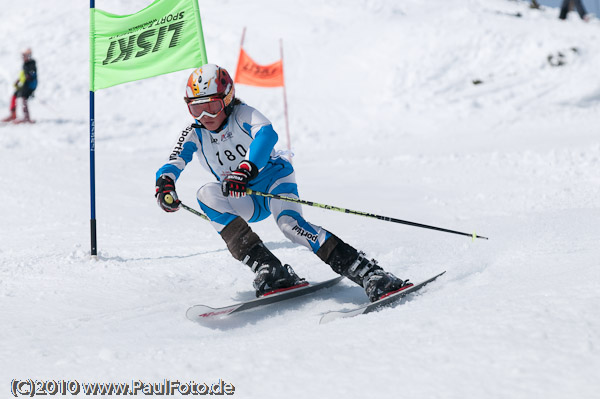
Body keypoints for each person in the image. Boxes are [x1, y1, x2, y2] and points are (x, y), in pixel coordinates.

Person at [154, 64, 412, 301]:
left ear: (228, 99)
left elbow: (266, 134)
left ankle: (370, 273)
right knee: (206, 194)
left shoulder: (243, 114)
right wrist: (165, 183)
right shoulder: (195, 134)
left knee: (290, 226)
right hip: (244, 197)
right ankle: (269, 268)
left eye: (212, 107)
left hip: (274, 180)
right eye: (196, 108)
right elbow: (173, 162)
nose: (205, 116)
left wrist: (246, 168)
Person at [2, 48, 38, 123]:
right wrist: (18, 80)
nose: (23, 57)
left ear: (29, 56)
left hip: (30, 85)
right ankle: (13, 114)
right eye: (23, 56)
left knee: (23, 97)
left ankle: (26, 117)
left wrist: (29, 75)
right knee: (14, 95)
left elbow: (32, 73)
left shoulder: (32, 63)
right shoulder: (25, 64)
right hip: (25, 84)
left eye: (25, 55)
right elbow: (23, 74)